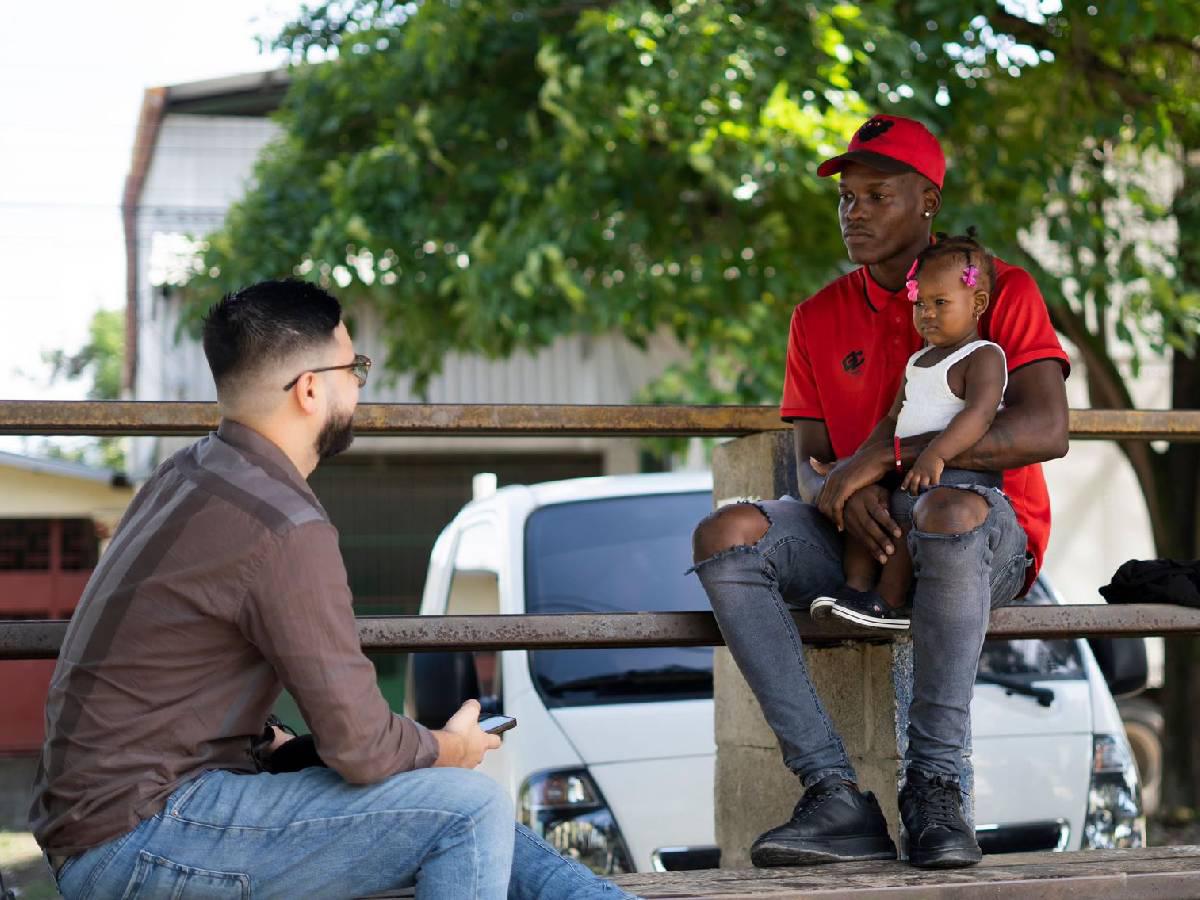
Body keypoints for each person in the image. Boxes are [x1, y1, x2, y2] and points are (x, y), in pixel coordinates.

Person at [30, 280, 630, 899]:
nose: (360, 386)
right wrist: (449, 746)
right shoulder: (283, 523)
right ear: (311, 388)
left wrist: (267, 739)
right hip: (141, 839)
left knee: (453, 807)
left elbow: (170, 658)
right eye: (356, 368)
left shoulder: (184, 475)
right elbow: (363, 746)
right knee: (466, 807)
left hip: (109, 821)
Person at [691, 115, 1070, 870]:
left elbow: (1045, 429)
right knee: (725, 538)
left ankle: (935, 790)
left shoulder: (997, 288)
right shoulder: (817, 317)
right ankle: (833, 794)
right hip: (863, 539)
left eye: (876, 195)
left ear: (927, 201)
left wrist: (886, 463)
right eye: (846, 198)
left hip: (979, 531)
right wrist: (838, 490)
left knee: (949, 509)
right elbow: (811, 465)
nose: (853, 211)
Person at [809, 230, 1008, 630]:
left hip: (958, 477)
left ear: (977, 303)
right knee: (871, 509)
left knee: (905, 512)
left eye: (940, 303)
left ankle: (890, 602)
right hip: (912, 472)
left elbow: (980, 416)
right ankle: (856, 591)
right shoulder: (918, 360)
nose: (927, 313)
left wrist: (936, 453)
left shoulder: (983, 356)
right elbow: (891, 420)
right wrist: (856, 463)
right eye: (920, 304)